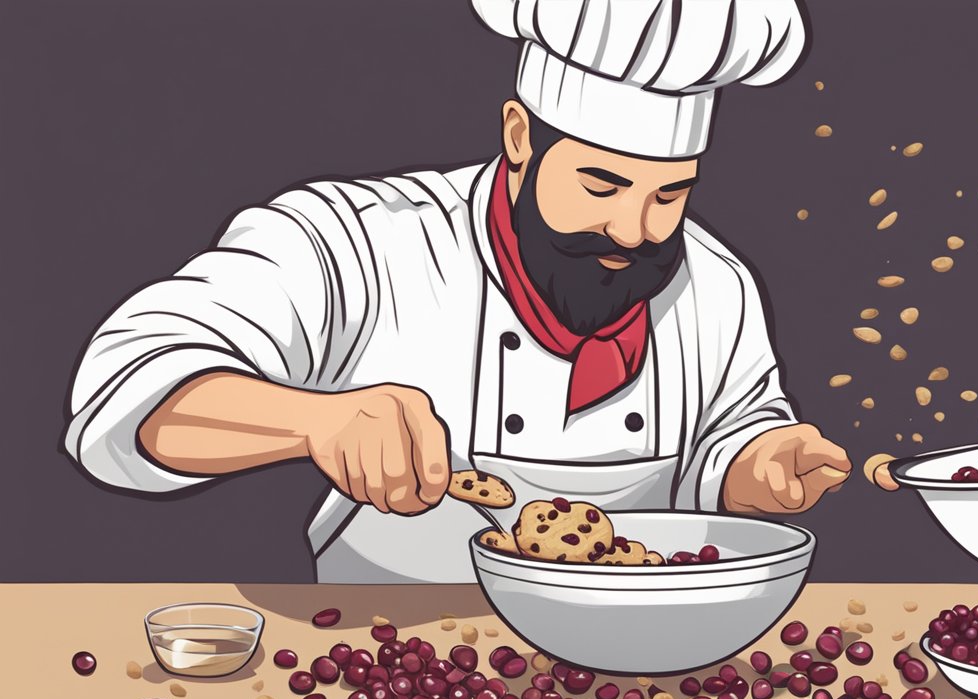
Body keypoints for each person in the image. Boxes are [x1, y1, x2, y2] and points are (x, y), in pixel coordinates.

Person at [62, 0, 854, 583]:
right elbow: (126, 394)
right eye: (601, 184)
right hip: (385, 665)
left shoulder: (716, 283)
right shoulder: (362, 242)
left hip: (637, 671)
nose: (633, 231)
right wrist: (314, 422)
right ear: (519, 138)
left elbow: (723, 445)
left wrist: (759, 465)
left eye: (669, 194)